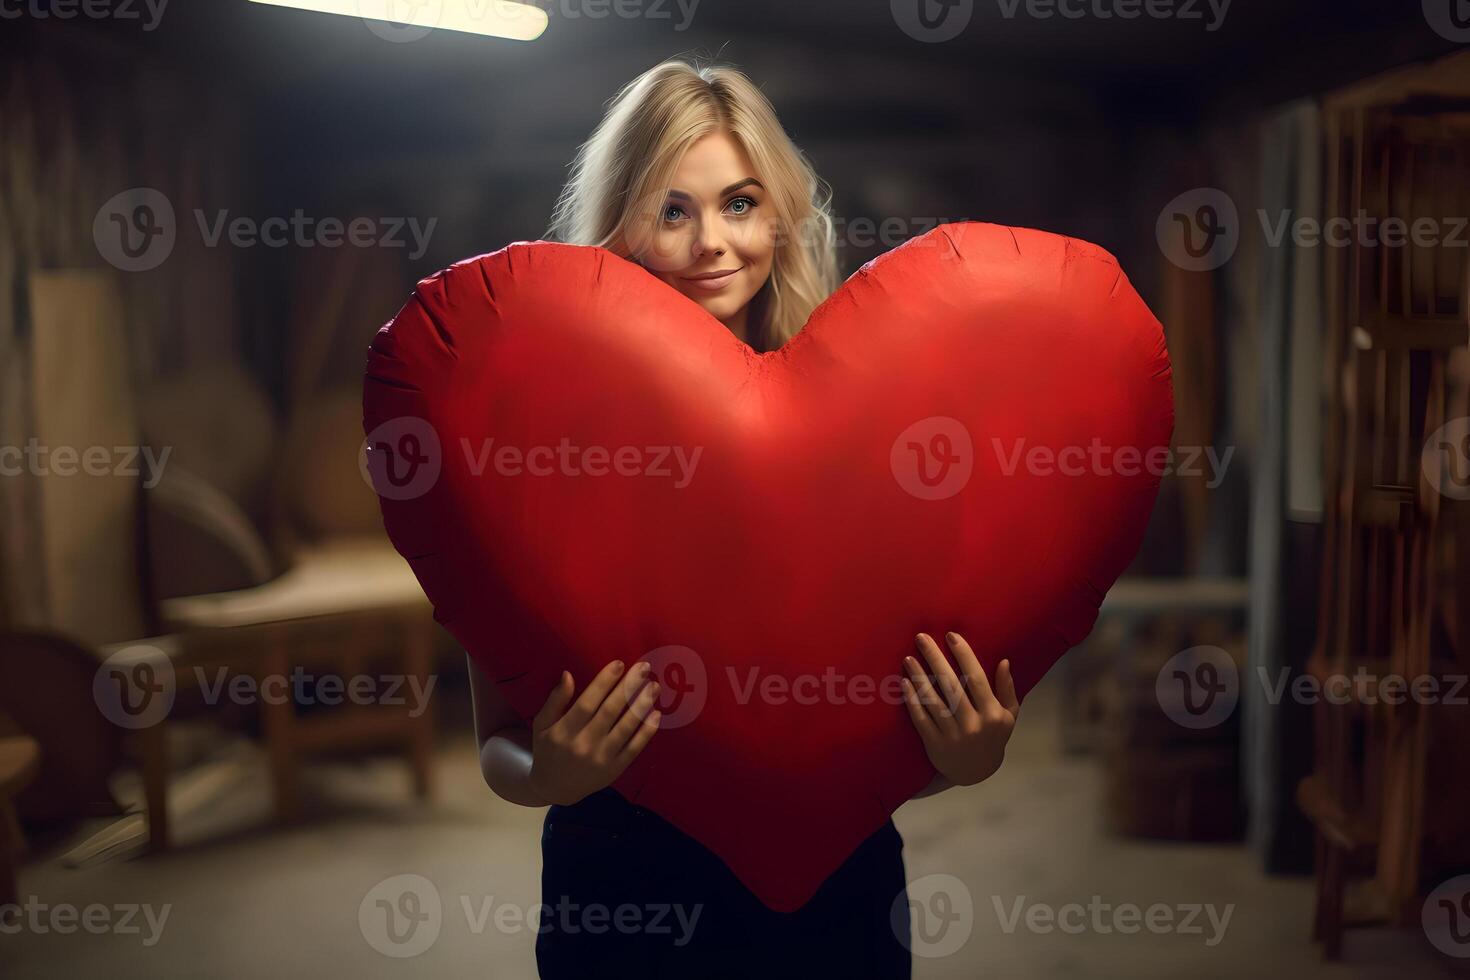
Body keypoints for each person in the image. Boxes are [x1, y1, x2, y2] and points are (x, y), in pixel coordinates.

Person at [468, 57, 1021, 978]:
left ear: (780, 217)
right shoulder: (537, 437)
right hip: (621, 888)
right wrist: (547, 777)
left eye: (740, 202)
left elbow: (888, 711)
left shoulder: (876, 419)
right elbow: (496, 740)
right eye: (672, 208)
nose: (712, 244)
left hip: (833, 893)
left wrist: (964, 758)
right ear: (621, 225)